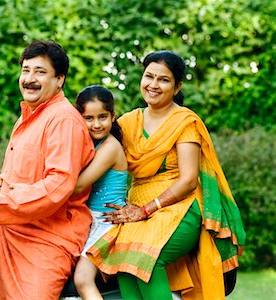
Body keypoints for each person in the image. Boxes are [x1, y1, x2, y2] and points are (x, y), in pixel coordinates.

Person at [0, 40, 95, 300]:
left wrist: (0, 201)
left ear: (59, 80)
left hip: (46, 238)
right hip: (11, 229)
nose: (30, 79)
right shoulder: (27, 118)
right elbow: (8, 182)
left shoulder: (63, 120)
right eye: (26, 70)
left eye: (40, 72)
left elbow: (57, 185)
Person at [86, 50, 246, 299]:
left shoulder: (184, 121)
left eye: (163, 79)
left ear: (177, 85)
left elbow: (188, 180)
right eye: (149, 76)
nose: (153, 85)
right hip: (137, 205)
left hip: (180, 206)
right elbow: (91, 141)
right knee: (123, 260)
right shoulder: (129, 123)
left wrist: (146, 209)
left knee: (148, 258)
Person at [70, 85, 128, 299]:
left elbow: (78, 185)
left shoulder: (111, 147)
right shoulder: (90, 143)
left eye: (102, 117)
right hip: (88, 221)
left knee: (82, 280)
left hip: (107, 223)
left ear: (112, 116)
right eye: (89, 118)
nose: (96, 124)